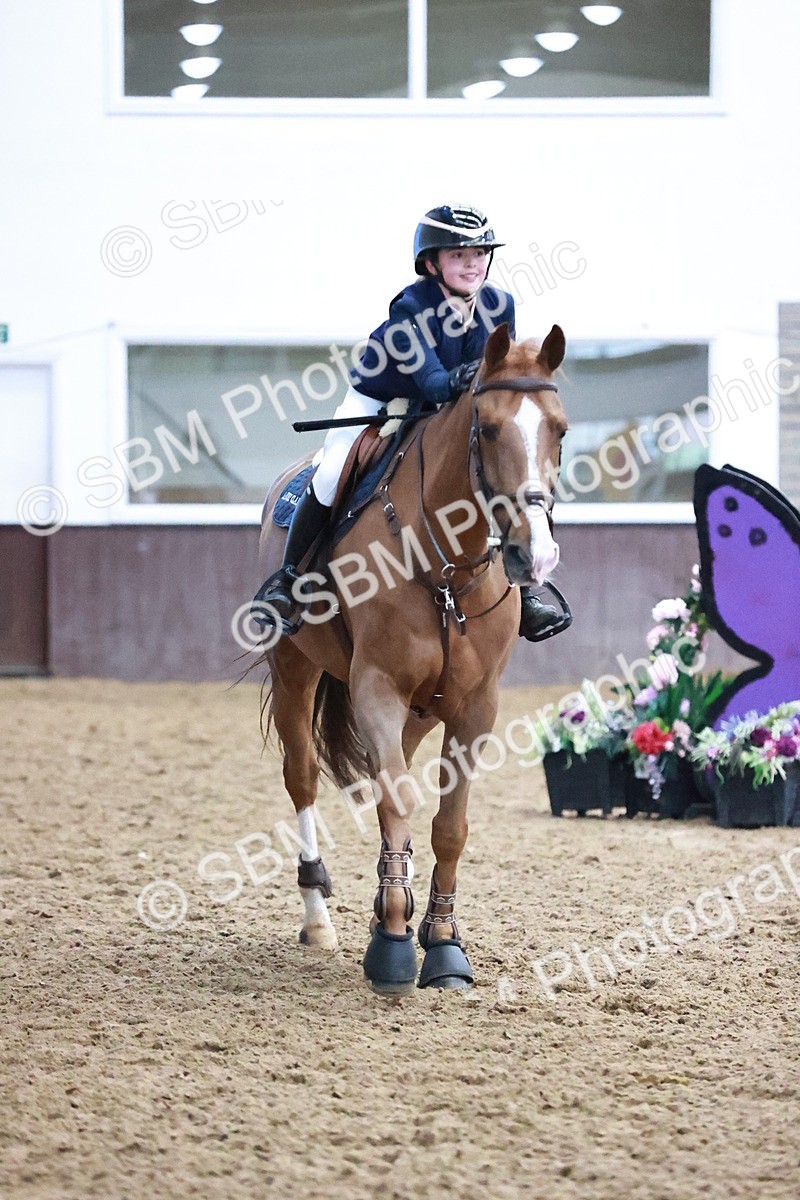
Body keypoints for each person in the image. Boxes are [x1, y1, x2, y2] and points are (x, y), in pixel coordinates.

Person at [253, 203, 566, 640]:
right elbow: (434, 382)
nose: (471, 264)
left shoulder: (500, 304)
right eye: (458, 255)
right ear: (431, 262)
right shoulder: (410, 307)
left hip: (453, 411)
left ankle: (524, 585)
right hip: (382, 401)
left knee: (503, 472)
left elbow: (497, 372)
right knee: (328, 474)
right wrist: (466, 381)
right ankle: (287, 581)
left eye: (479, 254)